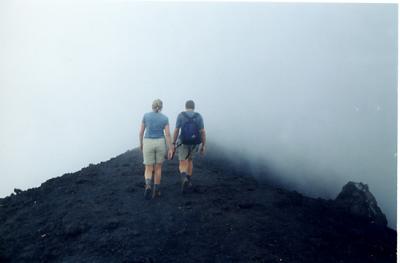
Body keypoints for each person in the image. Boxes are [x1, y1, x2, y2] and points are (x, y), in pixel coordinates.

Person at [139, 99, 173, 199]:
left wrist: (141, 144)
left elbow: (141, 132)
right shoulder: (165, 118)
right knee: (158, 168)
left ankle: (148, 185)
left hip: (148, 142)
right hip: (160, 143)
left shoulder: (146, 116)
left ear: (152, 106)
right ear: (161, 107)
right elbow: (167, 134)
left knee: (148, 167)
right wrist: (170, 148)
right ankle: (156, 190)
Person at [173, 100, 206, 193]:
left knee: (183, 161)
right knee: (190, 160)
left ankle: (184, 177)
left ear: (186, 106)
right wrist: (203, 145)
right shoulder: (198, 116)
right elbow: (202, 132)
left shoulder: (181, 115)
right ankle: (189, 180)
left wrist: (173, 143)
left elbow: (176, 130)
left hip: (183, 142)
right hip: (194, 142)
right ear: (194, 107)